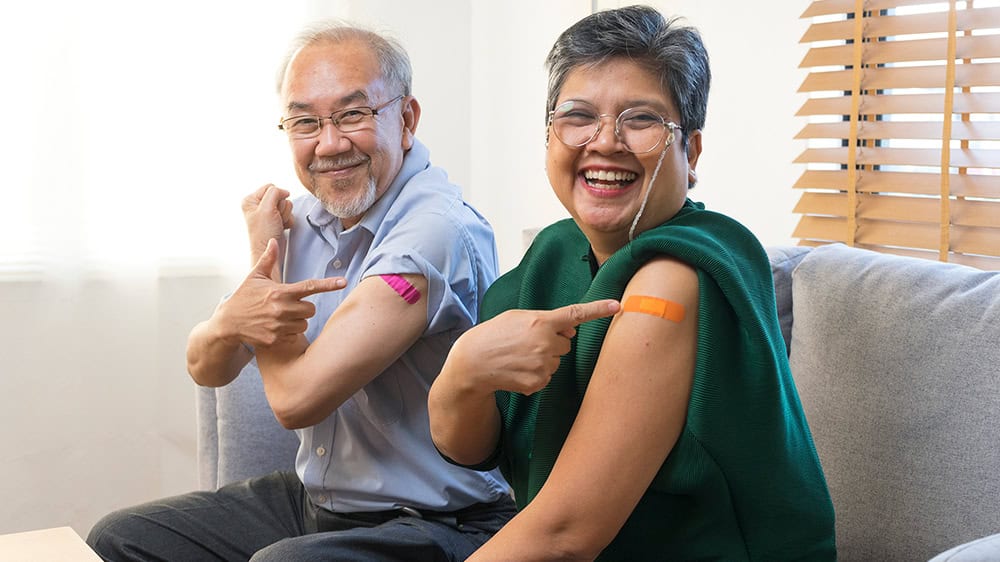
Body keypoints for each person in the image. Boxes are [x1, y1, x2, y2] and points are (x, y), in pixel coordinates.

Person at [87, 20, 514, 561]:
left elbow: (297, 401)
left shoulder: (434, 231)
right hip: (317, 502)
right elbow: (206, 364)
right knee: (119, 538)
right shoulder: (306, 221)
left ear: (406, 119)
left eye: (353, 114)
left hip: (437, 522)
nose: (329, 144)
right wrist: (246, 297)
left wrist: (262, 286)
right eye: (305, 122)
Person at [427, 5, 837, 561]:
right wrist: (464, 373)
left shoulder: (679, 275)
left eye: (640, 119)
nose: (605, 142)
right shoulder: (554, 253)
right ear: (549, 135)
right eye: (578, 116)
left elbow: (565, 534)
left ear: (690, 153)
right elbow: (469, 448)